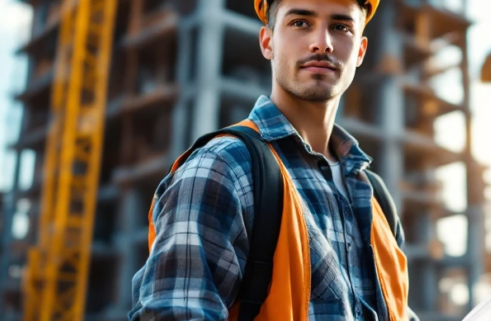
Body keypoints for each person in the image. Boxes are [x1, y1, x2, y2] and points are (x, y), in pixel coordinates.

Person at [128, 0, 417, 320]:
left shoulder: (376, 199)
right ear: (267, 42)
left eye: (341, 27)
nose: (322, 42)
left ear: (360, 51)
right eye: (300, 23)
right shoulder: (224, 168)